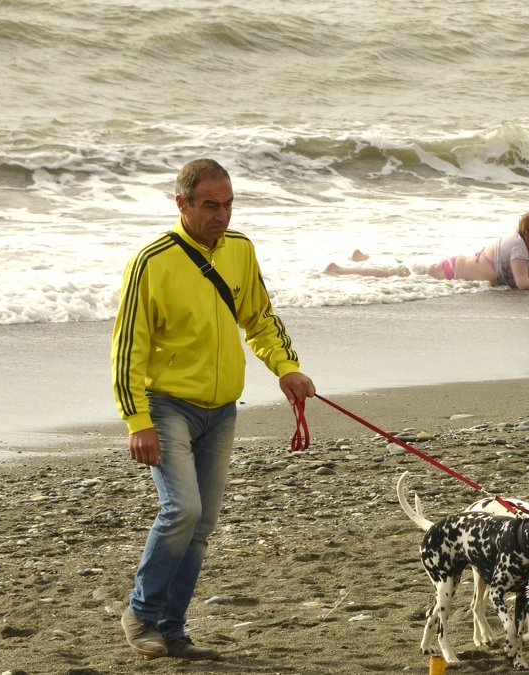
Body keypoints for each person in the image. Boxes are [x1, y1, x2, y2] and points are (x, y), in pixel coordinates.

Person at [110, 158, 316, 661]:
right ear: (181, 204)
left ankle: (173, 629)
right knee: (184, 509)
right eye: (209, 205)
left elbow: (260, 318)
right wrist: (137, 421)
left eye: (227, 205)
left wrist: (286, 368)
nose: (221, 215)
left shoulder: (240, 250)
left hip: (221, 408)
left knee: (201, 526)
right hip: (166, 405)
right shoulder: (152, 262)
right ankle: (141, 613)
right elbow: (127, 348)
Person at [324, 211, 529, 290]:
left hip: (454, 267)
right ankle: (341, 270)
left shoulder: (523, 248)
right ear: (528, 229)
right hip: (450, 273)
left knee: (402, 269)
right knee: (396, 274)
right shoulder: (519, 247)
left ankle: (362, 258)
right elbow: (524, 284)